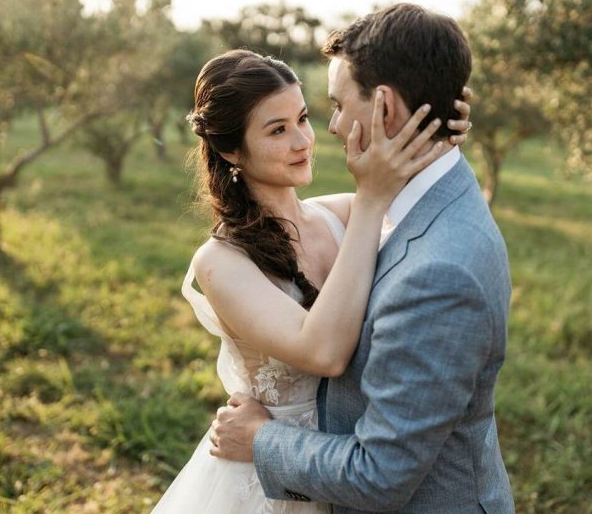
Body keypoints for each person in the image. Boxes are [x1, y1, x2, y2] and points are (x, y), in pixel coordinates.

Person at [210, 4, 515, 513]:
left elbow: (379, 473)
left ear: (386, 110)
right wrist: (436, 122)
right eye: (277, 129)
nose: (321, 131)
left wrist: (261, 440)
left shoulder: (431, 264)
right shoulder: (415, 208)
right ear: (231, 149)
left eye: (323, 109)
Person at [151, 46, 471, 513]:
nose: (304, 140)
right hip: (274, 477)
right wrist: (370, 201)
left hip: (358, 462)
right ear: (229, 149)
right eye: (278, 130)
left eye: (302, 118)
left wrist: (445, 126)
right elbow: (323, 353)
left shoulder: (339, 213)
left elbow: (423, 178)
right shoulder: (221, 261)